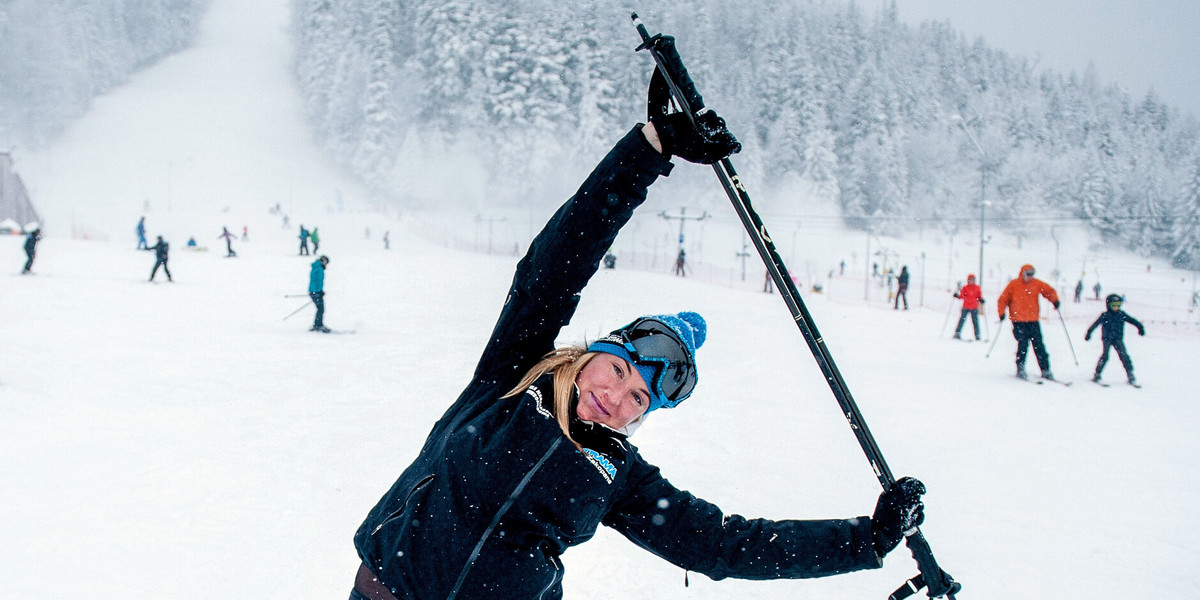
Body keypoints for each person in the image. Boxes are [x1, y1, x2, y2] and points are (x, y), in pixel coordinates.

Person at [348, 110, 926, 600]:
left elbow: (724, 544)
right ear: (596, 352)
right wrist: (649, 151)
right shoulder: (514, 372)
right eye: (619, 369)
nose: (615, 396)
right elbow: (557, 265)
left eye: (638, 399)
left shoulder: (618, 475)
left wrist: (867, 539)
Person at [996, 264, 1060, 380]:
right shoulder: (1013, 285)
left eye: (1032, 274)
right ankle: (1020, 368)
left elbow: (1048, 291)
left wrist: (1054, 300)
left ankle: (1045, 369)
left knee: (1039, 345)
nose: (1030, 277)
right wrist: (1001, 313)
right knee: (1023, 344)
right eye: (1028, 274)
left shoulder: (1036, 284)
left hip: (1033, 320)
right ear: (1023, 274)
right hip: (1018, 320)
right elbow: (1003, 299)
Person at [1085, 294, 1145, 385]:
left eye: (1118, 305)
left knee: (1124, 356)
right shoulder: (1105, 315)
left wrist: (1140, 327)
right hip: (1107, 339)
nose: (1116, 307)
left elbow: (1132, 320)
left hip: (1118, 339)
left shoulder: (1121, 314)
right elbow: (1095, 324)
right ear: (1108, 305)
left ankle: (1130, 374)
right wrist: (1089, 333)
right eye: (1113, 305)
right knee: (1105, 356)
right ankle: (1097, 373)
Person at [952, 273, 984, 340]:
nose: (971, 281)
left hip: (974, 307)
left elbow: (979, 296)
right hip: (966, 307)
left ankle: (977, 335)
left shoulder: (977, 288)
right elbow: (962, 296)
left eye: (972, 280)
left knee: (975, 322)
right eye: (970, 280)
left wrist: (981, 300)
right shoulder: (965, 288)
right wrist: (957, 296)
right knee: (962, 320)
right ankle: (957, 333)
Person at [308, 255, 329, 332]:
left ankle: (318, 324)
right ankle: (318, 325)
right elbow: (317, 281)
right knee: (321, 309)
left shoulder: (317, 267)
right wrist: (319, 291)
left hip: (315, 291)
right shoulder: (319, 268)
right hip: (315, 291)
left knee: (320, 309)